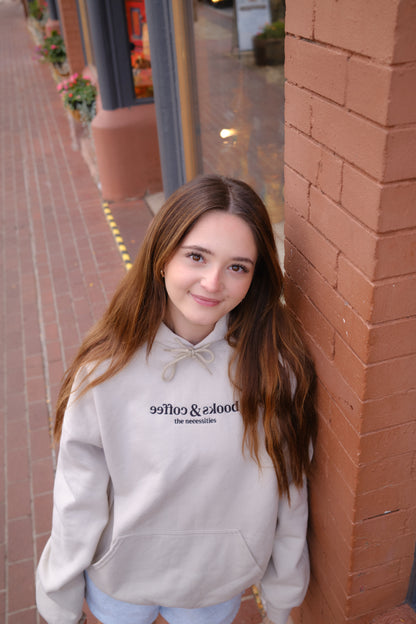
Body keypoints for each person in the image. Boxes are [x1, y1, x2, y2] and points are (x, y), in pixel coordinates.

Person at [36, 174, 317, 624]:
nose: (212, 282)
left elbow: (290, 490)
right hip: (121, 583)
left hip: (214, 586)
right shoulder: (106, 370)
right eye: (197, 256)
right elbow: (78, 494)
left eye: (237, 266)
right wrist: (60, 599)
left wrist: (283, 595)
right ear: (163, 257)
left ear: (255, 276)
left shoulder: (271, 368)